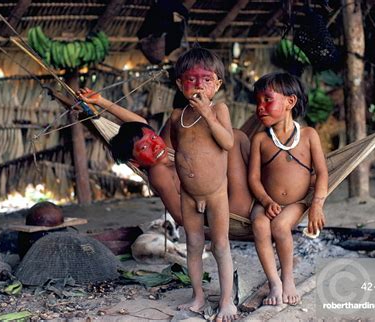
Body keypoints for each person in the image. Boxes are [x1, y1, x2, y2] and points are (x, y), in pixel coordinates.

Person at [77, 83, 254, 241]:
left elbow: (141, 124)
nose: (154, 145)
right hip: (234, 209)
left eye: (153, 137)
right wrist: (205, 209)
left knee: (232, 136)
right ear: (135, 162)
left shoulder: (165, 150)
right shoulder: (158, 172)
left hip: (235, 192)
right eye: (144, 148)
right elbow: (179, 216)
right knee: (235, 138)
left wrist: (101, 101)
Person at [167, 47, 237, 320]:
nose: (199, 86)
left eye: (207, 80)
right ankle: (197, 296)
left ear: (217, 85)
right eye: (192, 79)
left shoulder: (219, 109)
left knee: (220, 246)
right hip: (188, 194)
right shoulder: (177, 116)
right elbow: (178, 146)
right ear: (179, 84)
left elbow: (228, 142)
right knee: (193, 244)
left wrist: (208, 114)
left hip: (217, 193)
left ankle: (227, 301)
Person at [248, 72, 328, 306]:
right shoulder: (260, 140)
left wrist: (317, 205)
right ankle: (274, 283)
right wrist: (265, 201)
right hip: (266, 202)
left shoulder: (308, 135)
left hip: (297, 203)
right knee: (260, 224)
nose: (260, 107)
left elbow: (322, 173)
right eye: (258, 101)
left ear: (290, 102)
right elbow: (253, 178)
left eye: (267, 99)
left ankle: (288, 279)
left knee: (281, 226)